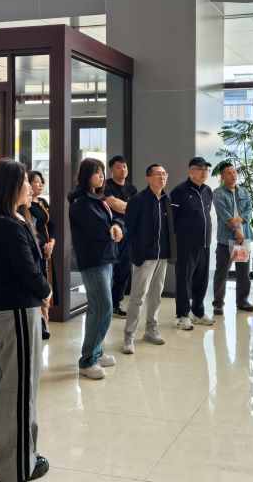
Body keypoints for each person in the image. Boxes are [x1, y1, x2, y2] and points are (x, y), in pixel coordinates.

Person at [0, 159, 51, 482]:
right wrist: (46, 292)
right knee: (19, 389)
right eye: (24, 181)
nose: (30, 186)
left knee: (3, 385)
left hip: (4, 311)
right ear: (10, 186)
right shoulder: (8, 224)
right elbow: (28, 271)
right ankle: (17, 466)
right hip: (18, 312)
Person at [68, 158, 124, 379]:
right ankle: (87, 360)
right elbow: (100, 229)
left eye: (102, 172)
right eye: (96, 172)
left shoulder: (97, 198)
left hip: (106, 258)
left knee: (97, 308)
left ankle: (96, 352)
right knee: (103, 307)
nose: (101, 176)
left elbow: (117, 219)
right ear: (85, 176)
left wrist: (116, 225)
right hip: (93, 261)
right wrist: (113, 228)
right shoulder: (81, 202)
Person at [121, 164, 176, 354]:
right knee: (138, 296)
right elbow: (129, 228)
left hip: (163, 255)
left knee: (156, 295)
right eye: (157, 174)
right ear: (148, 178)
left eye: (164, 174)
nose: (162, 177)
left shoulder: (167, 199)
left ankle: (151, 330)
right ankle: (129, 335)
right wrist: (137, 251)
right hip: (144, 256)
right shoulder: (138, 200)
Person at [170, 156, 215, 330]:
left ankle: (198, 312)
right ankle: (182, 316)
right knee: (184, 281)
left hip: (204, 244)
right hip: (185, 245)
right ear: (191, 171)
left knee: (201, 280)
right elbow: (171, 220)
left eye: (206, 169)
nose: (204, 172)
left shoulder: (208, 191)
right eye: (200, 169)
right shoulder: (179, 191)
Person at [212, 162, 253, 315]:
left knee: (243, 273)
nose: (233, 175)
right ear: (222, 176)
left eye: (235, 172)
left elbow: (249, 210)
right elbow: (225, 216)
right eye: (229, 173)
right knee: (222, 272)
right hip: (226, 239)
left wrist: (240, 219)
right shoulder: (218, 193)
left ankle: (242, 302)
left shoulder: (244, 191)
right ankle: (218, 304)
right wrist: (237, 230)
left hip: (242, 240)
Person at [102, 155, 138, 317]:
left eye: (124, 166)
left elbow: (132, 209)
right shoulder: (106, 186)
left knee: (124, 271)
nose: (123, 169)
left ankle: (116, 303)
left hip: (128, 236)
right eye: (118, 167)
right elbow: (114, 204)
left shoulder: (132, 189)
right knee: (108, 271)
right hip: (111, 235)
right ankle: (106, 305)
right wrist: (132, 208)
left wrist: (127, 207)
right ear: (111, 170)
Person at [28, 170, 56, 340]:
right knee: (39, 285)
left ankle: (45, 321)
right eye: (36, 181)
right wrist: (42, 246)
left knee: (47, 284)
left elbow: (51, 225)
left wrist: (52, 242)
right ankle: (40, 323)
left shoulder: (42, 202)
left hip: (47, 249)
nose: (40, 185)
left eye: (41, 181)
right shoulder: (25, 206)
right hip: (35, 250)